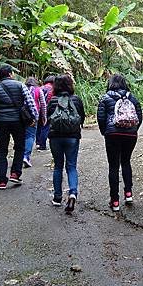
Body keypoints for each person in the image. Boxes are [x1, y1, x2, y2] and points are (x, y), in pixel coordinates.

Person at [0, 65, 38, 189]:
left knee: (2, 150)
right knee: (19, 147)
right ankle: (15, 173)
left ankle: (2, 180)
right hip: (18, 122)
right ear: (10, 74)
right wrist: (33, 118)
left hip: (1, 122)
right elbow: (30, 103)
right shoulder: (20, 85)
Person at [97, 74, 143, 212]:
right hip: (130, 135)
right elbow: (139, 116)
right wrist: (133, 130)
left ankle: (115, 201)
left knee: (113, 166)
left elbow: (101, 117)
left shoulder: (105, 98)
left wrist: (106, 132)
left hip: (112, 135)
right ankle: (128, 194)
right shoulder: (132, 98)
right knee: (126, 162)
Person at [46, 74, 85, 214]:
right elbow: (82, 118)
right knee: (71, 166)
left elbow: (48, 118)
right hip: (72, 138)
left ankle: (57, 198)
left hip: (55, 137)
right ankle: (73, 192)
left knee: (57, 166)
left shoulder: (53, 101)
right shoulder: (76, 100)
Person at [23, 77, 47, 168]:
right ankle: (26, 156)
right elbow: (43, 104)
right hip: (32, 116)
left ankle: (21, 155)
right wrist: (44, 117)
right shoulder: (38, 90)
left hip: (21, 116)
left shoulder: (22, 89)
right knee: (30, 136)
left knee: (23, 136)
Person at [36, 75, 54, 151]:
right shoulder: (52, 89)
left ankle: (38, 143)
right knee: (45, 127)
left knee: (39, 126)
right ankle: (42, 145)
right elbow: (50, 101)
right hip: (47, 110)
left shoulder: (40, 88)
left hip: (38, 110)